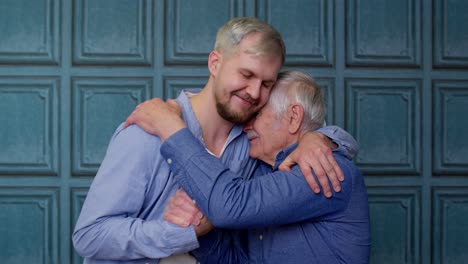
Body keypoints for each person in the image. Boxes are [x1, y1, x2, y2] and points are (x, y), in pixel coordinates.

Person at [73, 17, 357, 263]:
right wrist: (181, 234)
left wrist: (322, 137)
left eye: (267, 84)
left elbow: (238, 208)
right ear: (215, 62)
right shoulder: (146, 130)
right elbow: (90, 236)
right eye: (246, 74)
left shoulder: (251, 149)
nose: (255, 92)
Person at [143, 71, 370, 263]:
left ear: (293, 117)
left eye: (257, 115)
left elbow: (230, 206)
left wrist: (171, 128)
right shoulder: (259, 172)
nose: (245, 125)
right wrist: (198, 226)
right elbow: (232, 258)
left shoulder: (325, 170)